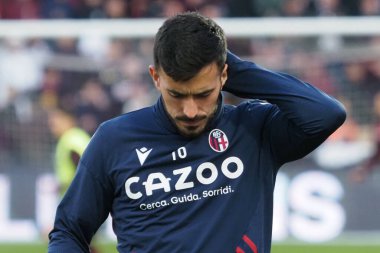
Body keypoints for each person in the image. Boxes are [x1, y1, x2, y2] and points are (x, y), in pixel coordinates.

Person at [48, 12, 346, 253]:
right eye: (177, 94)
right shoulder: (114, 140)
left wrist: (233, 67)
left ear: (225, 75)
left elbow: (325, 114)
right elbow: (69, 232)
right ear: (156, 77)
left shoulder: (254, 128)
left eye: (203, 93)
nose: (190, 111)